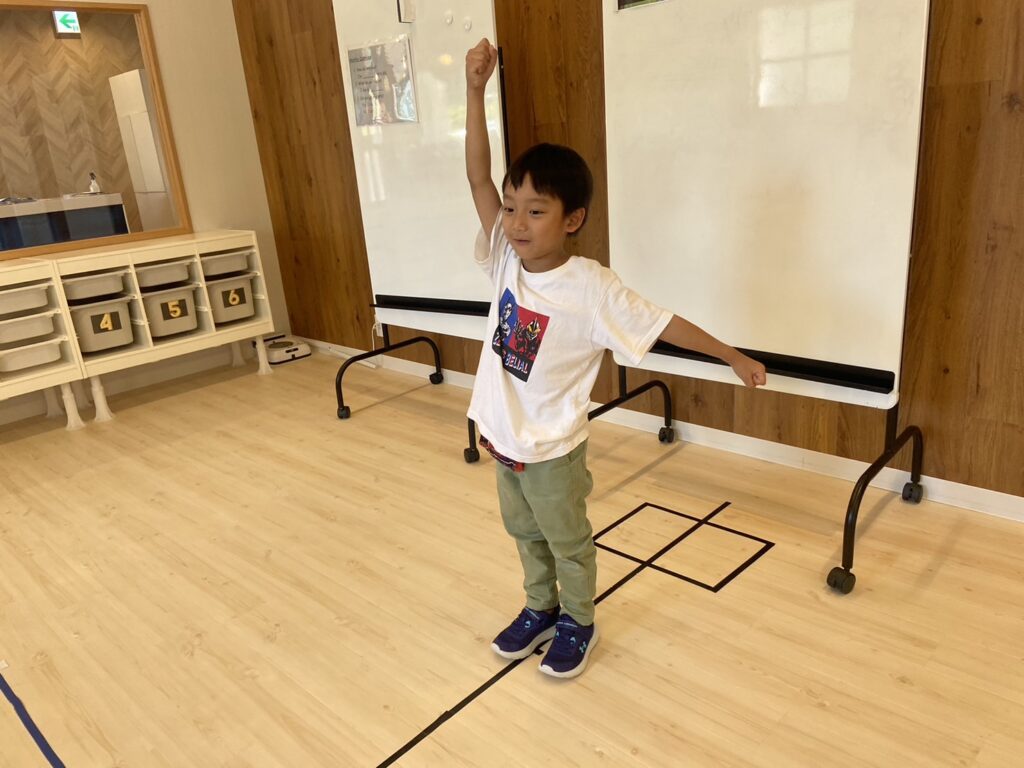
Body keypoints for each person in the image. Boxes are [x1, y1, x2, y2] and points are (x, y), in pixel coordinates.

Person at [464, 38, 766, 678]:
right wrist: (473, 91)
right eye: (512, 209)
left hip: (553, 450)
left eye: (535, 211)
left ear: (572, 220)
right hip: (503, 437)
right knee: (523, 533)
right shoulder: (505, 262)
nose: (516, 223)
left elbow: (663, 322)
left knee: (566, 539)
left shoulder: (592, 288)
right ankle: (540, 607)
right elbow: (477, 178)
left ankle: (579, 619)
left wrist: (731, 355)